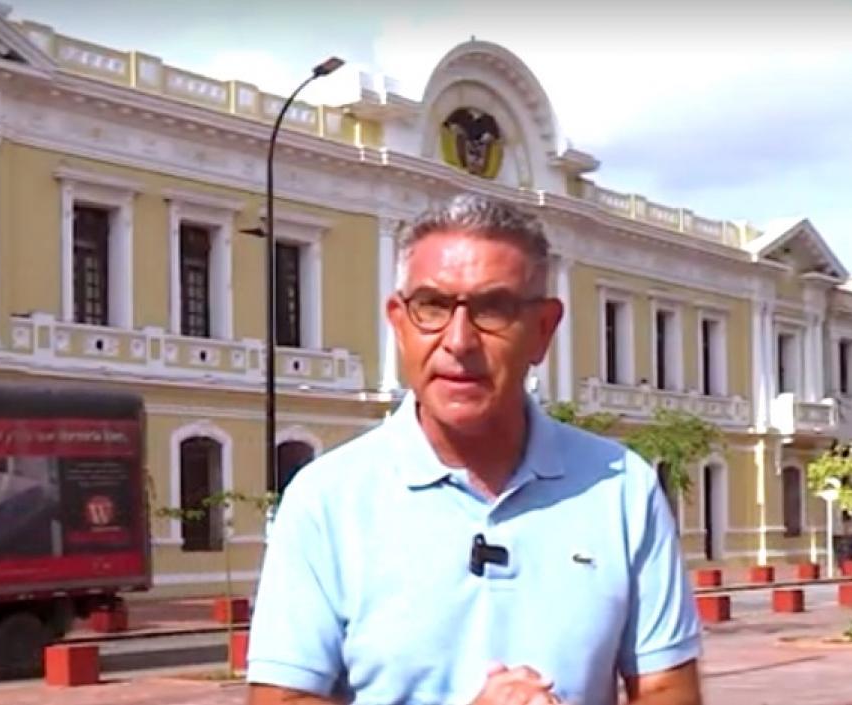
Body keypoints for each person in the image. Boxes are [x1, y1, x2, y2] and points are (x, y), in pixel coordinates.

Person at [246, 194, 702, 705]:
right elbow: (281, 699)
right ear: (399, 322)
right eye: (433, 307)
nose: (459, 341)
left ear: (543, 330)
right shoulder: (326, 499)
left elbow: (668, 689)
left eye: (493, 309)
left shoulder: (622, 488)